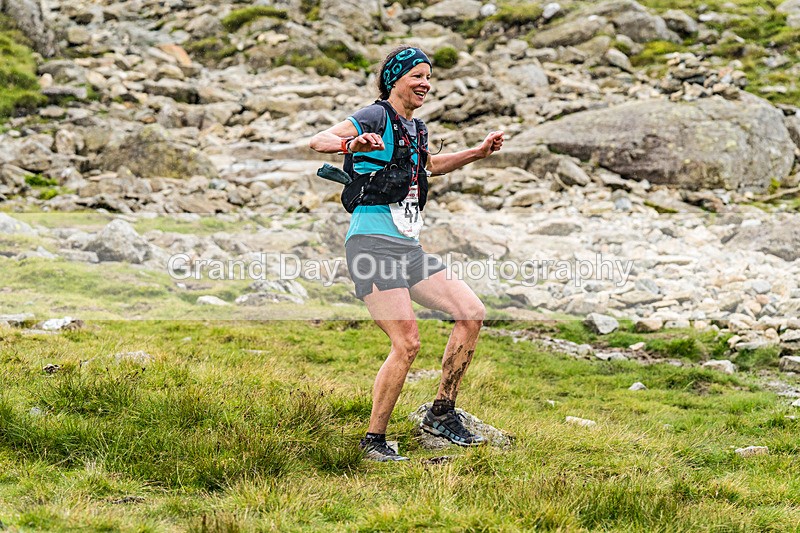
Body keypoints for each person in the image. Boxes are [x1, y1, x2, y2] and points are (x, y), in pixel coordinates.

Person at [308, 45, 504, 462]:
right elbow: (320, 140)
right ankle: (373, 441)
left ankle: (442, 412)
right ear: (395, 78)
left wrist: (478, 152)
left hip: (408, 247)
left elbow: (429, 165)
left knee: (471, 313)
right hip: (372, 245)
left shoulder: (416, 128)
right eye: (417, 75)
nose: (425, 84)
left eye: (429, 77)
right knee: (408, 342)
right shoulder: (375, 115)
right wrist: (354, 141)